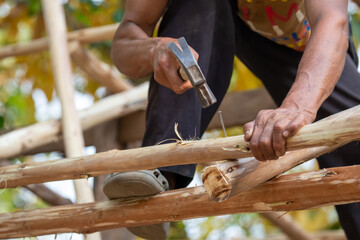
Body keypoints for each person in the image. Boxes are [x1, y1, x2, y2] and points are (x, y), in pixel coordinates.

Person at [103, 0, 360, 239]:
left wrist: (298, 106)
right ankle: (161, 172)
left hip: (310, 40)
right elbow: (128, 36)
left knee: (350, 138)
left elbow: (331, 20)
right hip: (228, 21)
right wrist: (154, 49)